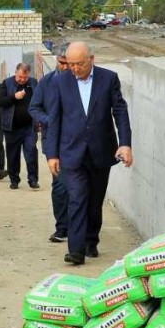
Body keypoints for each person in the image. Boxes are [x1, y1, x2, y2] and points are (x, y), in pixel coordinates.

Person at [45, 41, 132, 266]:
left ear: (91, 59)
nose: (74, 69)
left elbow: (120, 112)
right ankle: (76, 250)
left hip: (100, 151)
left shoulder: (108, 79)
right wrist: (51, 154)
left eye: (79, 64)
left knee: (94, 201)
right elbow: (54, 119)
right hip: (71, 152)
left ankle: (91, 239)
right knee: (77, 198)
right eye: (71, 64)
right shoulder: (60, 81)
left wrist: (125, 143)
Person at [30, 44, 72, 244]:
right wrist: (50, 120)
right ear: (57, 60)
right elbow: (34, 108)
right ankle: (62, 227)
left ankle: (79, 227)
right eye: (62, 63)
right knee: (60, 185)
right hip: (54, 142)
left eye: (68, 64)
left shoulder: (80, 82)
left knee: (78, 186)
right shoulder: (46, 83)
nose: (65, 67)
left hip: (77, 141)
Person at [0, 63, 38, 190]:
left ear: (29, 75)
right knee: (13, 155)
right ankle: (14, 180)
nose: (22, 80)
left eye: (25, 77)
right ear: (15, 72)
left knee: (31, 152)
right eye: (20, 77)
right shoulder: (7, 83)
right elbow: (0, 101)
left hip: (29, 127)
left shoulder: (34, 83)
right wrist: (14, 97)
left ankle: (33, 180)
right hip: (12, 127)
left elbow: (40, 99)